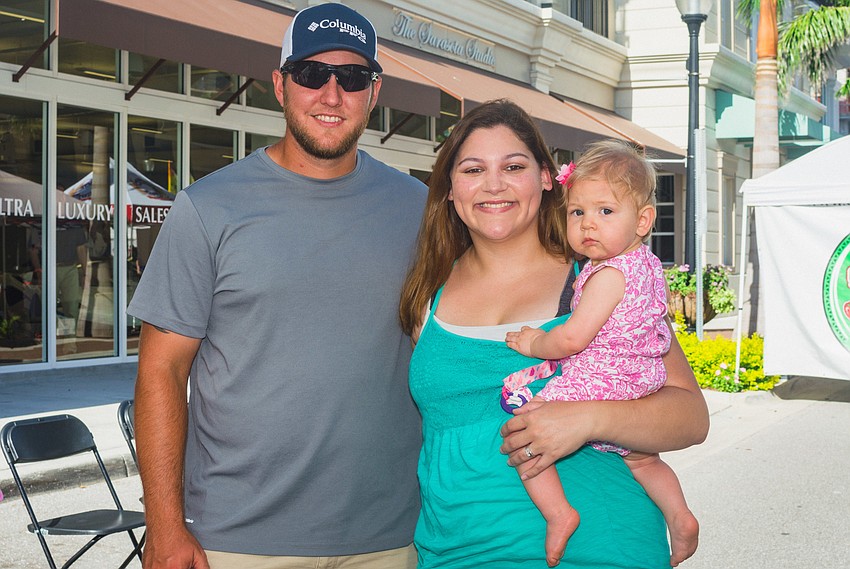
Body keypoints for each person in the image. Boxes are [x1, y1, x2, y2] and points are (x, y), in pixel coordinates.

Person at [127, 4, 426, 569]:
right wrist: (163, 525)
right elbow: (161, 371)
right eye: (312, 74)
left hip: (389, 536)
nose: (332, 95)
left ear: (374, 92)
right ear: (280, 85)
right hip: (238, 538)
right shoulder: (207, 208)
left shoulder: (420, 209)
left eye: (352, 77)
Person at [399, 99, 708, 568]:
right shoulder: (426, 294)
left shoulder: (600, 279)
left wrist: (589, 419)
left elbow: (691, 417)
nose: (494, 184)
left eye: (514, 166)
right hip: (456, 551)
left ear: (546, 178)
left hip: (601, 551)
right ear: (449, 189)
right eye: (473, 169)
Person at [503, 140, 698, 567]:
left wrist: (534, 342)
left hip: (604, 377)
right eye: (578, 212)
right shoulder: (646, 264)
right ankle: (680, 515)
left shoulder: (607, 275)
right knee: (643, 460)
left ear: (643, 220)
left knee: (526, 430)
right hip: (641, 377)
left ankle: (559, 514)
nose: (588, 224)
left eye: (605, 211)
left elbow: (572, 339)